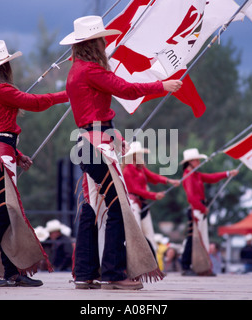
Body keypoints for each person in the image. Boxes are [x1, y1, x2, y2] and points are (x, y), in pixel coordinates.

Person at [60, 15, 182, 290]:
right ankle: (113, 273)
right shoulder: (91, 70)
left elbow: (94, 113)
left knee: (92, 208)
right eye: (101, 39)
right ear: (93, 44)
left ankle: (85, 273)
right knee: (117, 207)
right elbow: (125, 90)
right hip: (97, 146)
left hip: (87, 142)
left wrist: (114, 134)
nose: (105, 43)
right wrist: (161, 86)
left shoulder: (75, 70)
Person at [0, 39, 69, 287]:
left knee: (5, 214)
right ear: (4, 67)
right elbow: (36, 103)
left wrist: (17, 152)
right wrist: (69, 94)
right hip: (0, 154)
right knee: (2, 214)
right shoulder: (1, 90)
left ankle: (11, 270)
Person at [179, 148, 238, 276]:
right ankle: (186, 265)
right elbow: (191, 197)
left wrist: (227, 173)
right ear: (190, 162)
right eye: (196, 160)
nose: (198, 161)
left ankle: (200, 266)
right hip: (196, 210)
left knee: (199, 238)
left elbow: (211, 177)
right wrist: (201, 208)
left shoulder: (196, 175)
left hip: (199, 210)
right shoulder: (188, 176)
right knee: (193, 239)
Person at [122, 141, 180, 255]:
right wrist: (154, 195)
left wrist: (169, 181)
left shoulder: (140, 169)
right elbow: (136, 190)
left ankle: (153, 266)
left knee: (150, 235)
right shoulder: (127, 171)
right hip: (133, 203)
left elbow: (153, 177)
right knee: (135, 234)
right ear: (134, 155)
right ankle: (135, 264)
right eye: (139, 154)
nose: (142, 156)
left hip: (142, 203)